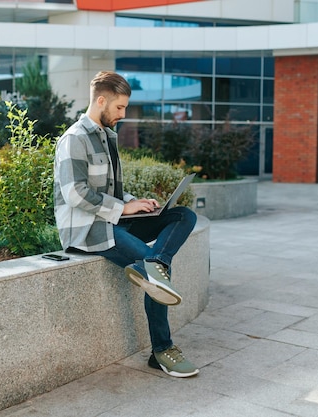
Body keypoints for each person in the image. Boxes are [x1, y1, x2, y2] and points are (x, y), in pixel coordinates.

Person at [54, 71, 199, 378]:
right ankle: (162, 350)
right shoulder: (73, 140)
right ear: (102, 100)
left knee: (183, 216)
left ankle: (157, 263)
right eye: (119, 108)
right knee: (152, 269)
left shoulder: (107, 136)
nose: (123, 115)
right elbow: (74, 193)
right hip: (88, 230)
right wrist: (123, 208)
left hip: (114, 221)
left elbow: (110, 192)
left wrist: (137, 203)